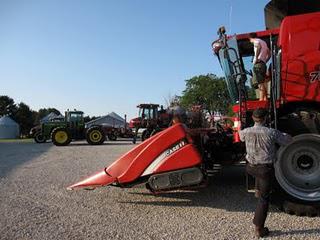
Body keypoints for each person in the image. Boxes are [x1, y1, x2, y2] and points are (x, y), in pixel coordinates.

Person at [239, 108, 292, 238]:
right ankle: (259, 228)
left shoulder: (245, 132)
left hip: (250, 167)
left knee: (259, 173)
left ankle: (257, 189)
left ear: (253, 118)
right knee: (264, 199)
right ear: (266, 118)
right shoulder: (271, 132)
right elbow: (287, 140)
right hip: (264, 169)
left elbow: (240, 138)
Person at [249, 33, 271, 101]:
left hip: (258, 64)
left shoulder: (255, 41)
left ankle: (261, 100)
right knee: (263, 82)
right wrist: (265, 61)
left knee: (259, 83)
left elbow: (258, 47)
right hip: (263, 65)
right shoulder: (263, 42)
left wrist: (256, 58)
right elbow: (269, 54)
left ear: (250, 38)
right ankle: (265, 98)